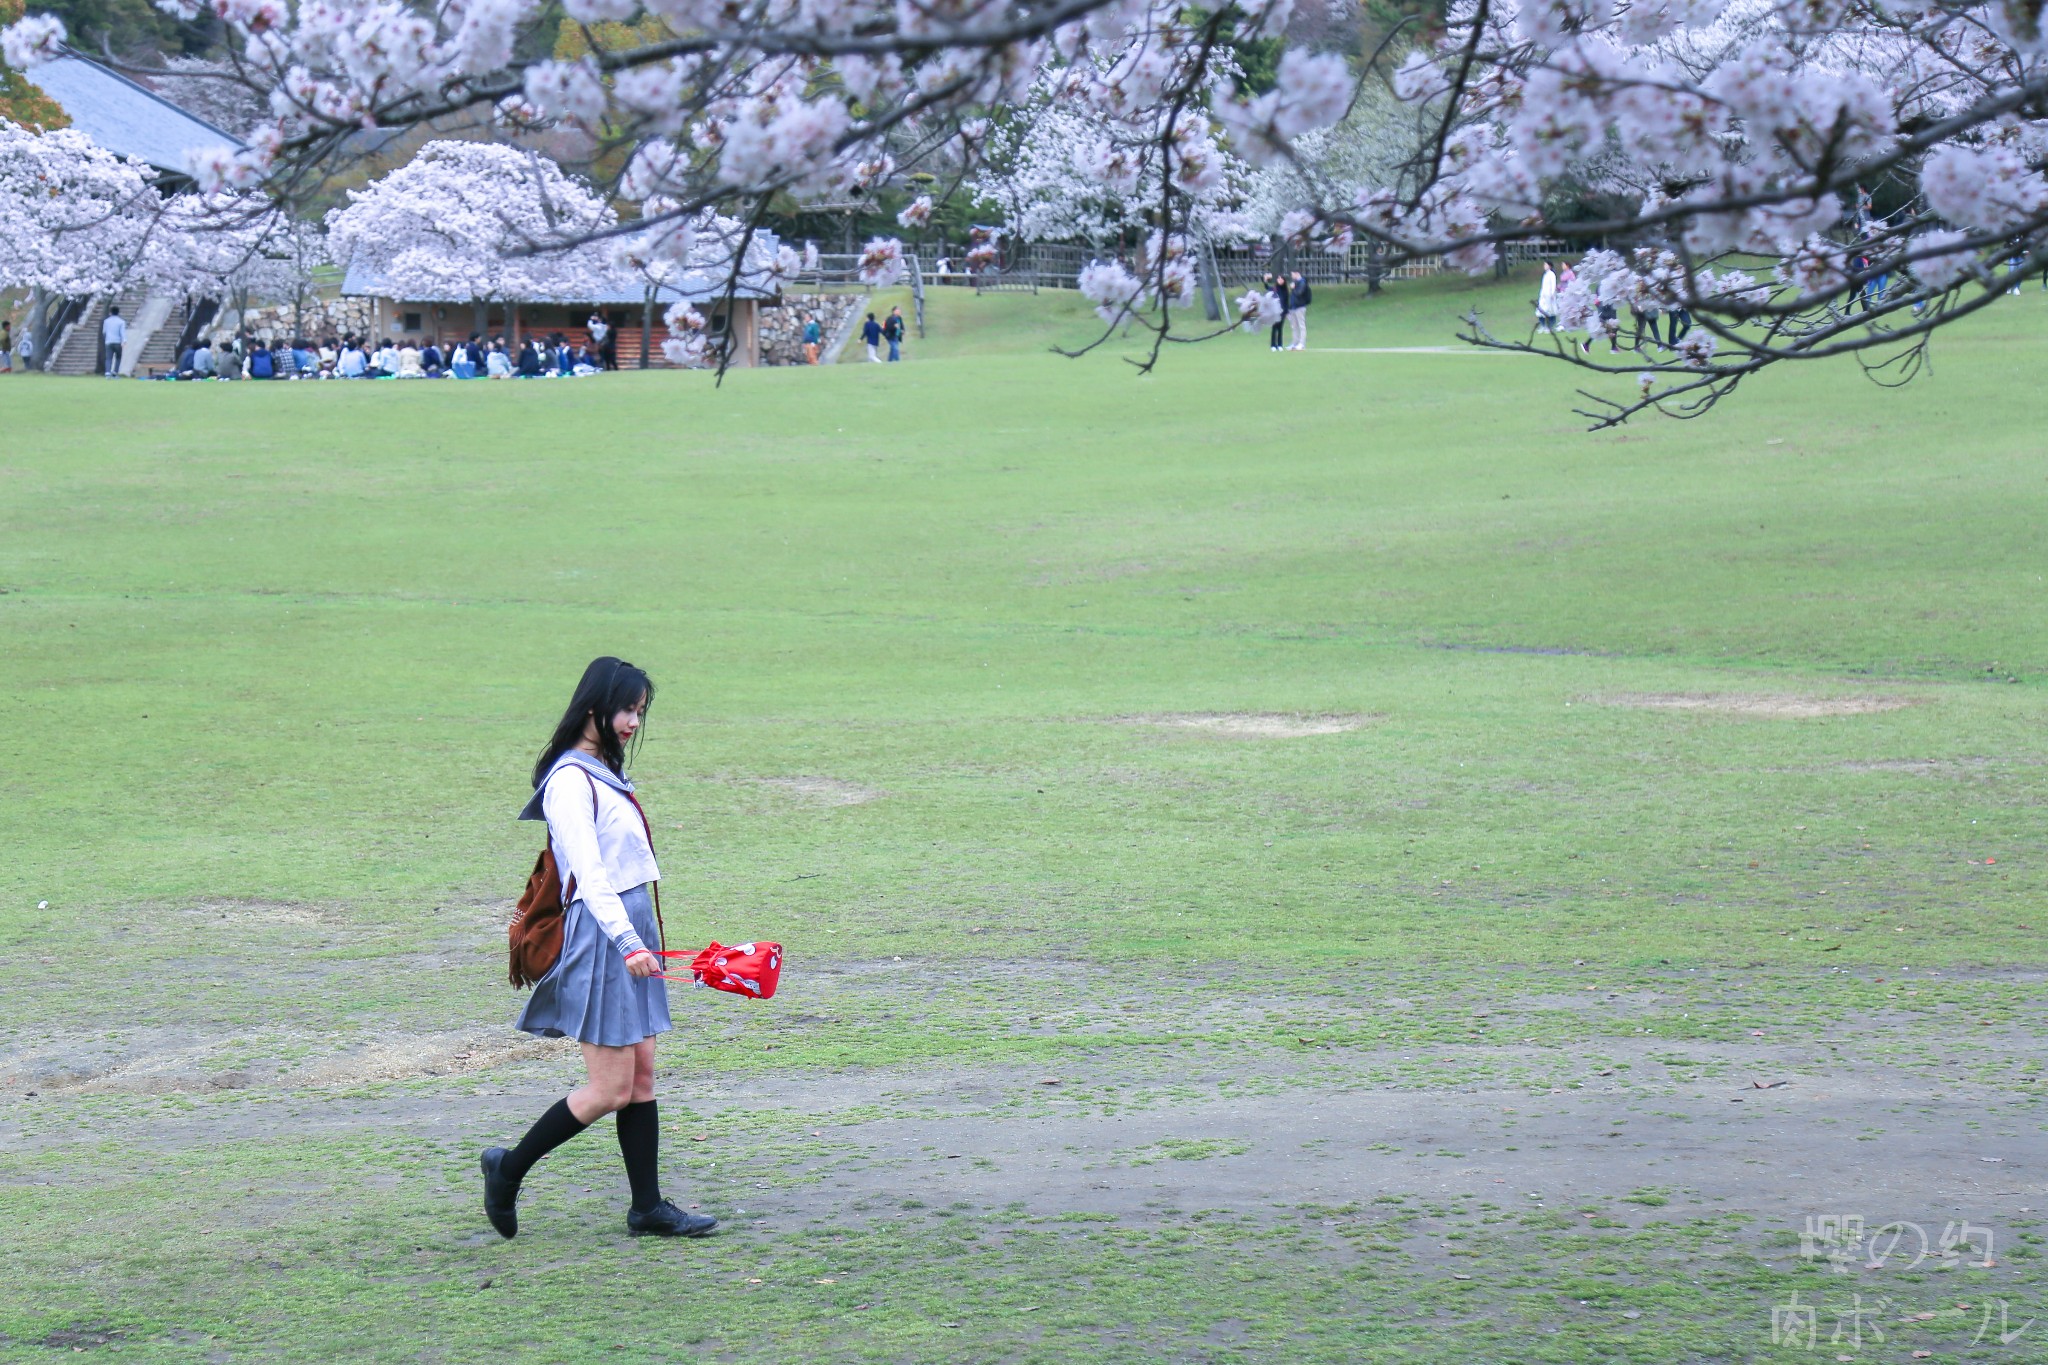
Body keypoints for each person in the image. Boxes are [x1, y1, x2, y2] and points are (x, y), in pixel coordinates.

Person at [481, 658, 715, 1241]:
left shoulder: (601, 768)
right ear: (594, 708)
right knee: (609, 1089)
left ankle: (648, 1208)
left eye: (640, 711)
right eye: (627, 709)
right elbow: (588, 872)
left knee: (641, 1080)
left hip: (629, 932)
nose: (634, 721)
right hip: (605, 937)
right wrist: (630, 940)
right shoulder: (569, 780)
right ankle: (507, 1170)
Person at [1287, 271, 1312, 351]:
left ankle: (1302, 343)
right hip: (1293, 307)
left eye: (1292, 274)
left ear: (1297, 273)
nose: (1291, 276)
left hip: (1300, 307)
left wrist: (1294, 288)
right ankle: (1295, 343)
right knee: (1294, 326)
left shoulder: (1302, 282)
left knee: (1301, 326)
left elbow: (1299, 293)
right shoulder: (1295, 282)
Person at [1268, 272, 1291, 352]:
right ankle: (1273, 345)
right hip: (1274, 312)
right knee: (1274, 328)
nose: (1280, 280)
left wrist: (1287, 312)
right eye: (1279, 279)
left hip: (1282, 312)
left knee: (1280, 329)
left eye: (1281, 279)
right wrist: (1265, 279)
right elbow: (1266, 287)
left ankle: (1280, 345)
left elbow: (1286, 301)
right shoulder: (1274, 289)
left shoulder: (1285, 290)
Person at [102, 305, 126, 378]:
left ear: (110, 312)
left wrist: (106, 339)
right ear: (118, 312)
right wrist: (124, 340)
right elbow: (122, 332)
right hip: (118, 342)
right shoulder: (121, 322)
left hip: (108, 341)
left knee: (108, 358)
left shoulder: (106, 321)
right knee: (118, 357)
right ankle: (115, 372)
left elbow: (104, 332)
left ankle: (107, 372)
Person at [1535, 261, 1559, 335]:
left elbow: (1553, 285)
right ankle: (1543, 326)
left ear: (1549, 266)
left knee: (1551, 311)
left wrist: (1552, 294)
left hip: (1550, 296)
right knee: (1540, 311)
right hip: (1543, 296)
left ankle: (1550, 327)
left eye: (1545, 265)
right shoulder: (1545, 274)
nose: (1544, 266)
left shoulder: (1551, 274)